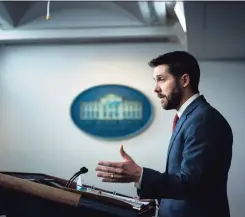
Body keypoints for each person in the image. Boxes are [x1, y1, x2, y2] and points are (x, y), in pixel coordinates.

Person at [95, 51, 233, 217]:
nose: (155, 89)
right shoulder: (191, 117)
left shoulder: (203, 120)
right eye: (155, 81)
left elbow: (191, 184)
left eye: (161, 79)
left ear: (184, 80)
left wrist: (140, 175)